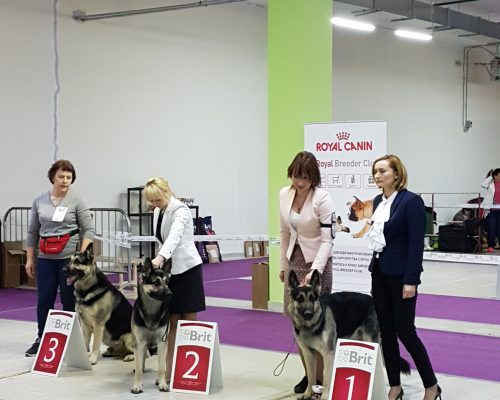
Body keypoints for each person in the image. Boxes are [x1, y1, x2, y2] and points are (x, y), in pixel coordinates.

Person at [366, 155, 441, 400]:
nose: (377, 175)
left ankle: (431, 385)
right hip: (379, 273)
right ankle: (395, 386)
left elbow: (416, 245)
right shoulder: (378, 200)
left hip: (402, 277)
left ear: (397, 174)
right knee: (385, 333)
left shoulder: (411, 201)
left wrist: (411, 281)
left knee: (406, 332)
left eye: (383, 171)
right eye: (375, 171)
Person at [278, 151, 336, 394]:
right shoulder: (284, 194)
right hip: (294, 260)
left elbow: (328, 240)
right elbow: (284, 232)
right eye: (295, 176)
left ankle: (322, 379)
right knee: (298, 322)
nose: (298, 182)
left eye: (304, 177)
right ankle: (310, 376)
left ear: (313, 177)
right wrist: (283, 265)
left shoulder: (323, 199)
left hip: (318, 263)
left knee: (319, 325)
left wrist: (315, 271)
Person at [25, 159, 94, 356]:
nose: (65, 181)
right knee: (44, 299)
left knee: (69, 299)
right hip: (45, 258)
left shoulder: (77, 200)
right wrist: (30, 259)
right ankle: (42, 337)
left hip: (69, 259)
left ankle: (72, 340)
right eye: (61, 176)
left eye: (69, 177)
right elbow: (32, 231)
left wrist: (81, 257)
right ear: (52, 177)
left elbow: (88, 230)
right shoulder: (39, 201)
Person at [143, 177, 206, 387]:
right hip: (170, 273)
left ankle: (188, 369)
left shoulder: (181, 210)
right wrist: (160, 261)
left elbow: (174, 236)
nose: (155, 204)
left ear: (167, 191)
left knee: (189, 321)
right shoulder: (157, 211)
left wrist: (159, 258)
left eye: (158, 199)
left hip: (187, 269)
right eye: (152, 201)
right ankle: (168, 370)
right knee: (171, 322)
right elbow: (160, 238)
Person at [481, 168, 500, 253]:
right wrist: (490, 176)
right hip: (491, 210)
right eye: (499, 176)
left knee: (499, 228)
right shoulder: (490, 184)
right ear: (495, 176)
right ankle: (490, 246)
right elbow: (483, 184)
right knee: (491, 228)